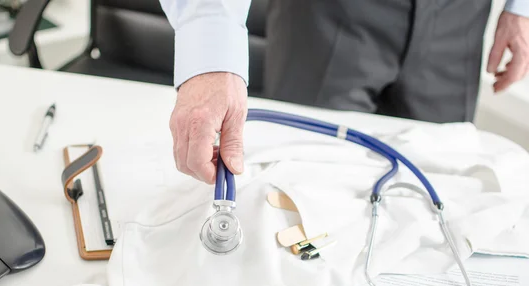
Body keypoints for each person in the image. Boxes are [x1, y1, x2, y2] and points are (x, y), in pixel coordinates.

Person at [159, 0, 529, 185]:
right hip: (330, 17)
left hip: (458, 19)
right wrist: (210, 51)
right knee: (303, 188)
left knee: (438, 185)